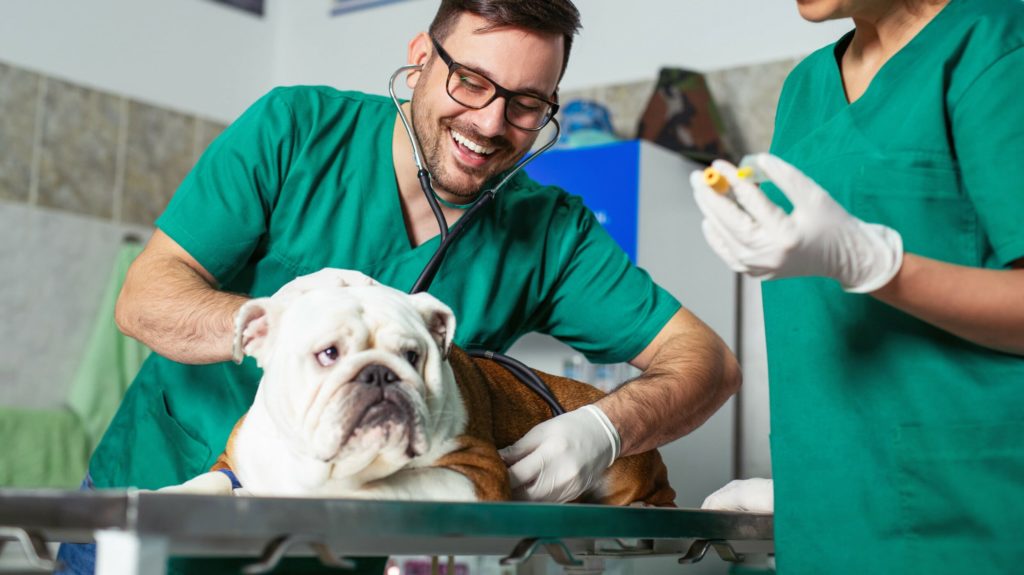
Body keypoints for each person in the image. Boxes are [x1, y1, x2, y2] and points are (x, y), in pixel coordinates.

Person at [56, 1, 741, 574]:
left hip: (360, 546)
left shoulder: (550, 233)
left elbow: (708, 362)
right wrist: (281, 328)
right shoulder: (295, 130)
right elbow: (143, 297)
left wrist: (603, 429)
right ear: (421, 57)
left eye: (527, 104)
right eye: (470, 81)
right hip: (165, 493)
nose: (490, 122)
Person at [693, 0, 1024, 572]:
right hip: (831, 513)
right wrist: (810, 486)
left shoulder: (998, 45)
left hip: (974, 517)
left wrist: (879, 266)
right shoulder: (804, 88)